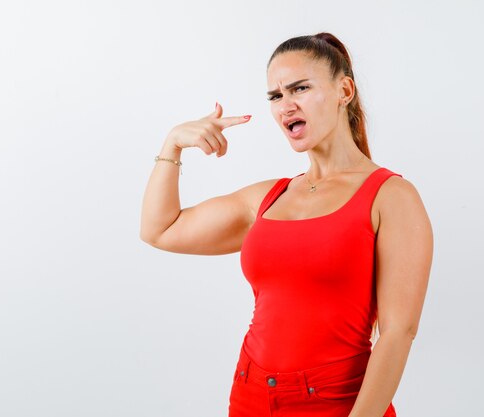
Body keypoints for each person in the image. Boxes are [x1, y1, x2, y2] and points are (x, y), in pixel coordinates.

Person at [140, 32, 433, 417]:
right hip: (250, 397)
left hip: (338, 404)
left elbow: (398, 333)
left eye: (300, 88)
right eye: (275, 96)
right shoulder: (267, 198)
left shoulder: (392, 196)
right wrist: (172, 144)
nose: (285, 105)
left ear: (344, 90)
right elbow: (160, 230)